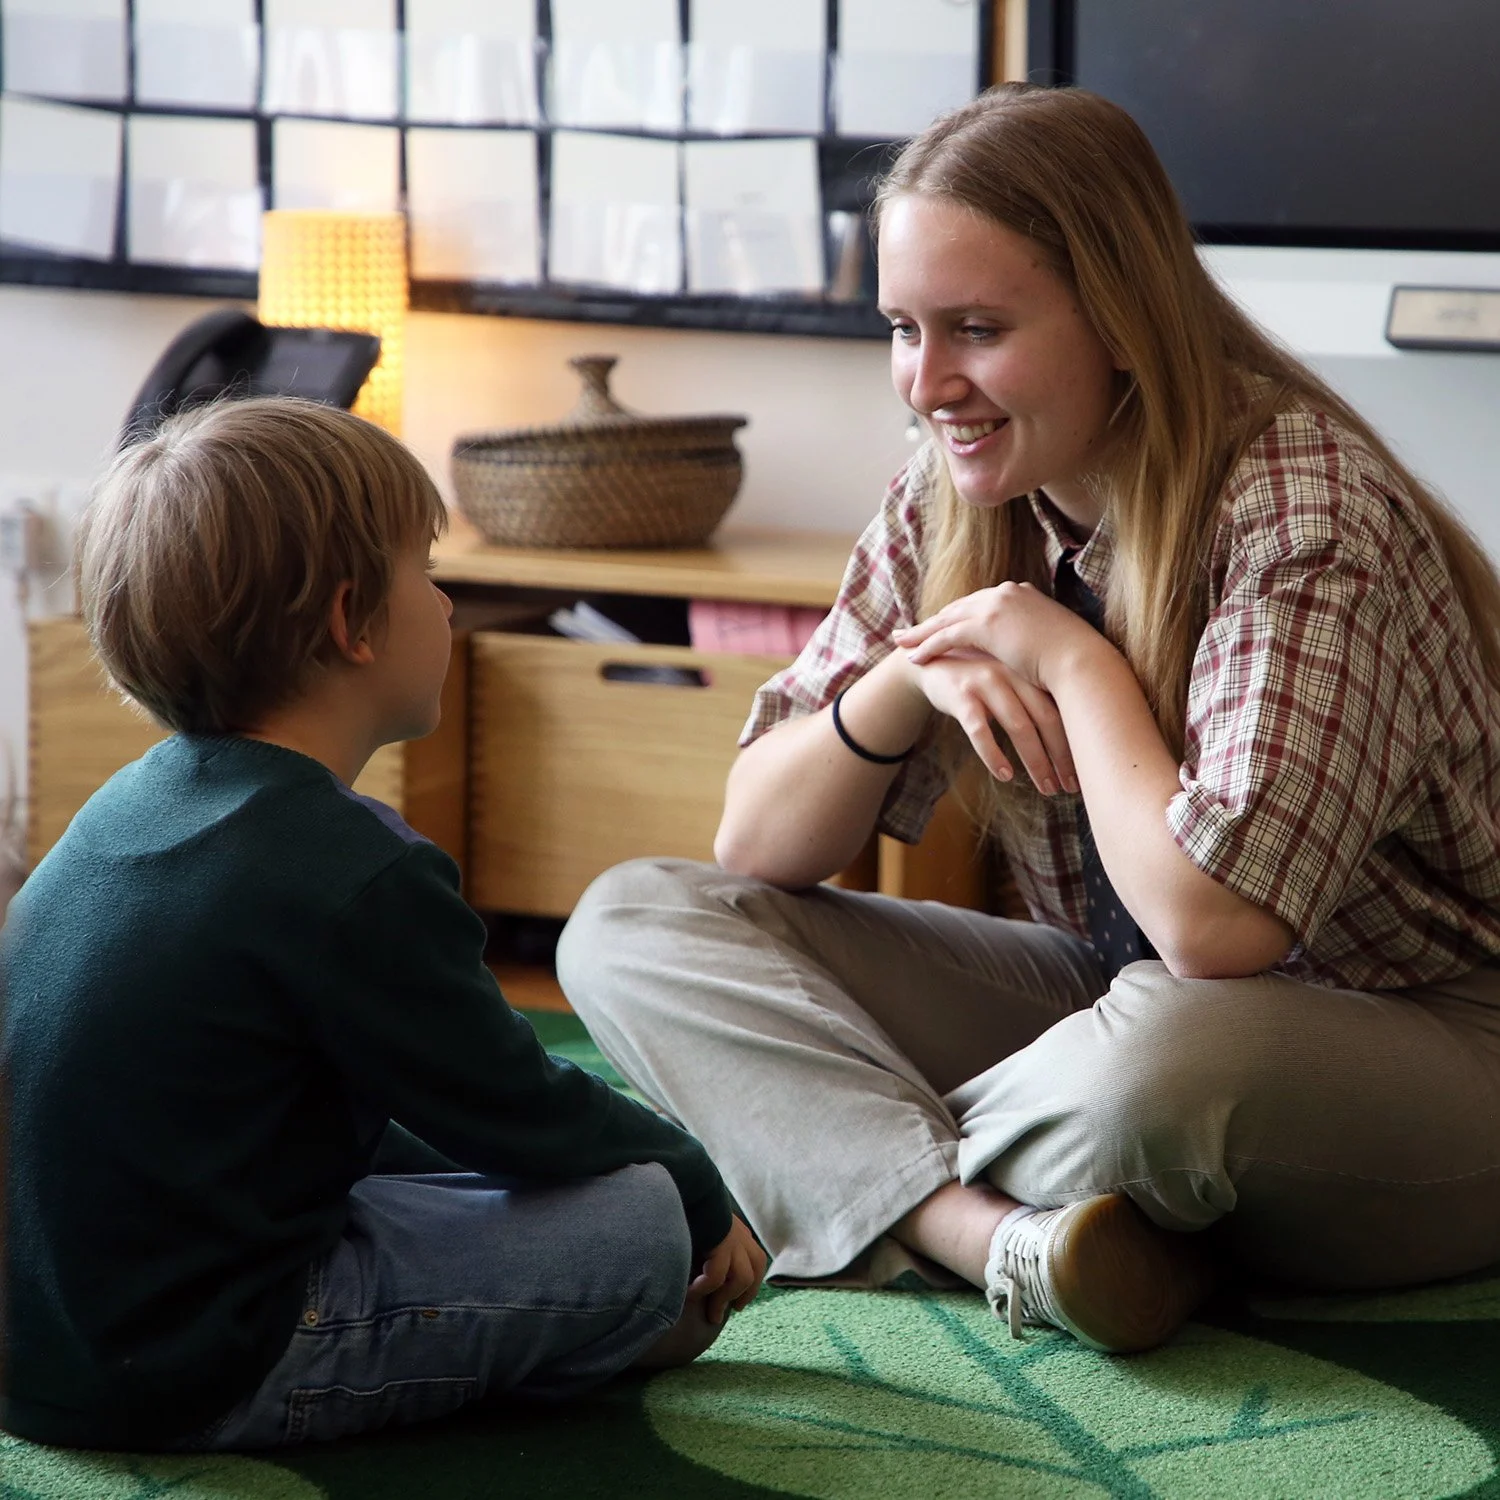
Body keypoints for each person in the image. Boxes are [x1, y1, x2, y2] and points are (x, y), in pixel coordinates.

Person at [557, 82, 1500, 1356]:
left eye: (978, 329)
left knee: (1155, 1068)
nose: (928, 383)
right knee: (634, 923)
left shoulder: (1308, 514)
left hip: (1426, 1036)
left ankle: (836, 1168)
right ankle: (993, 1235)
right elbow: (757, 847)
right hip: (1108, 994)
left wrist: (1065, 655)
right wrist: (908, 675)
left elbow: (1214, 927)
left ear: (1121, 315)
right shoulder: (952, 487)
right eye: (903, 328)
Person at [0, 396, 766, 1452]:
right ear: (351, 621)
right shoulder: (351, 870)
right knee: (639, 1220)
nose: (447, 605)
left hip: (53, 1344)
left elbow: (349, 1126)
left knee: (511, 1177)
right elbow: (512, 1105)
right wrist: (689, 1178)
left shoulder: (119, 807)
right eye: (429, 571)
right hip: (205, 1365)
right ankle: (595, 1332)